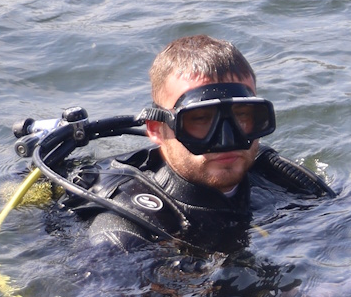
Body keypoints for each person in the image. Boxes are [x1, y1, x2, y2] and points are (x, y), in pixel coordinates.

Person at [66, 34, 333, 252]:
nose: (227, 140)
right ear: (156, 129)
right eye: (201, 119)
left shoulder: (281, 180)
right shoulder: (121, 232)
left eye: (241, 116)